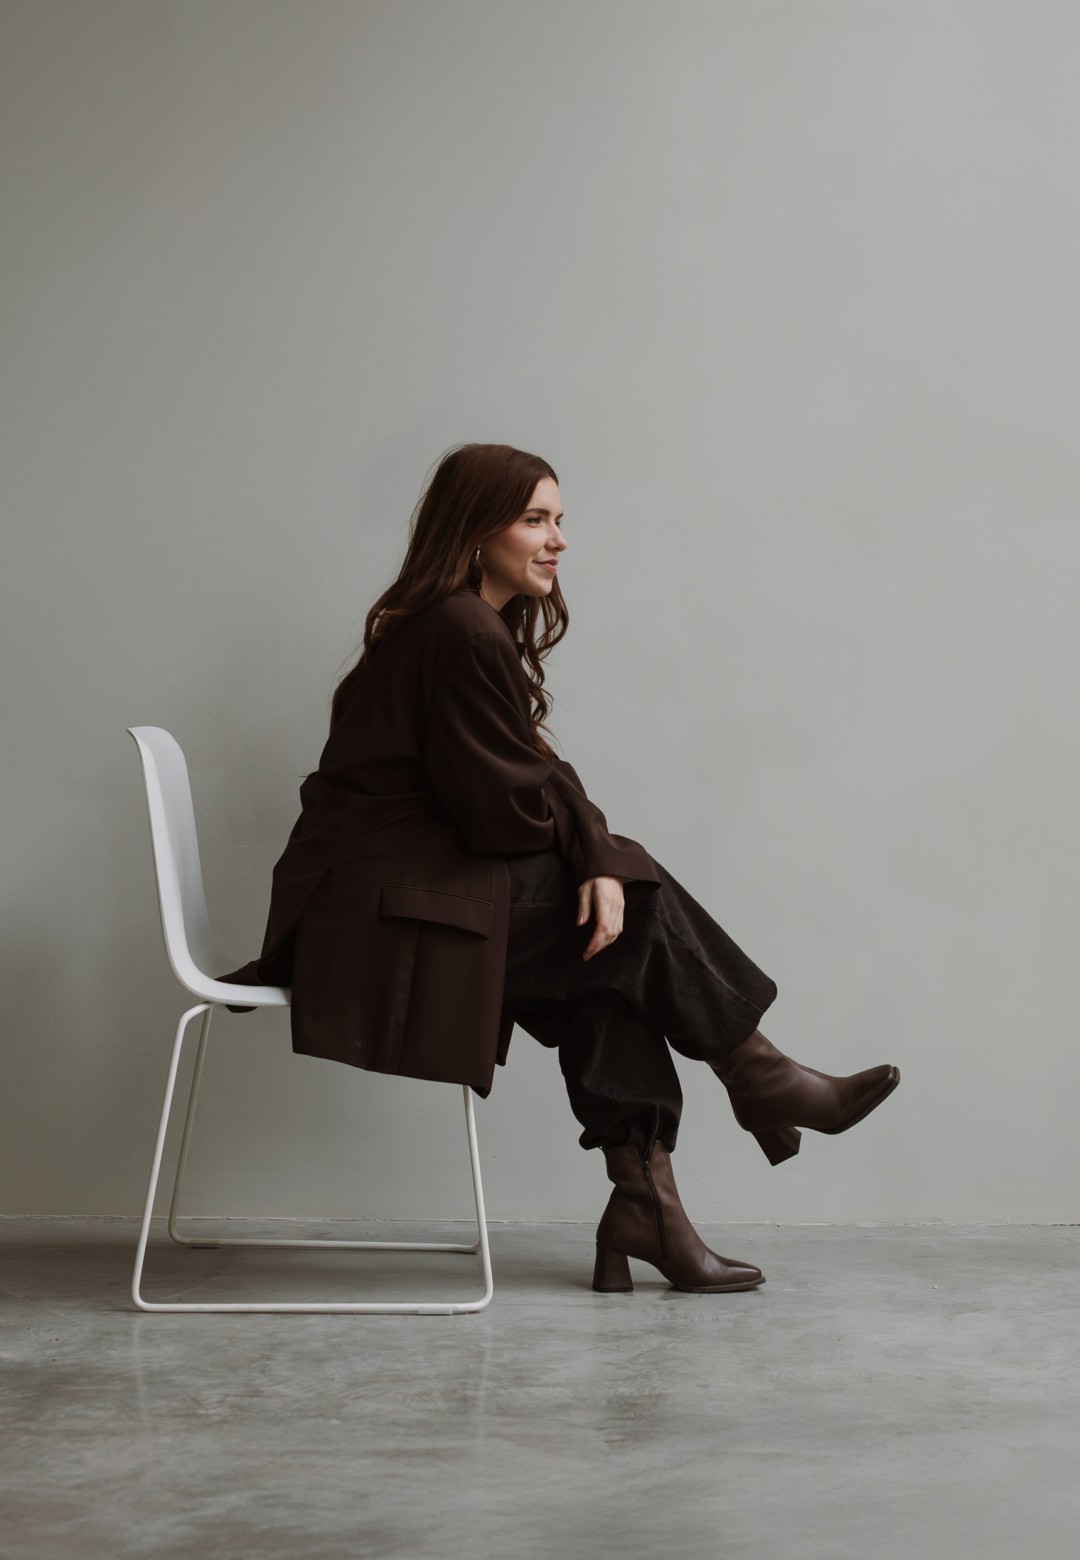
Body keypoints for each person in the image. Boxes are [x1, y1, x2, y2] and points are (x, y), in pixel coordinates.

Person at [217, 442, 900, 1296]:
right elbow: (507, 816)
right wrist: (603, 861)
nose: (558, 540)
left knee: (606, 952)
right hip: (372, 918)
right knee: (630, 913)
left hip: (394, 894)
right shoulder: (460, 632)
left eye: (559, 520)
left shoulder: (461, 626)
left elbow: (538, 778)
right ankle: (757, 1079)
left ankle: (653, 1202)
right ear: (476, 531)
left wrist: (596, 854)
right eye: (535, 520)